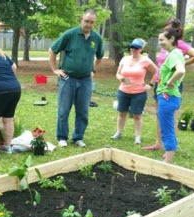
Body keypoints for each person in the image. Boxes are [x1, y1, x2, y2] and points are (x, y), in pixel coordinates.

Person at [143, 19, 194, 151]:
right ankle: (158, 143)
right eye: (164, 29)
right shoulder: (165, 45)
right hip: (160, 83)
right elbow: (161, 66)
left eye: (167, 29)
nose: (164, 31)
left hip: (170, 85)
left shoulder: (179, 44)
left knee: (168, 115)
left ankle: (170, 146)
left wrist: (180, 65)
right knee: (160, 114)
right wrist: (152, 83)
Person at [49, 9, 104, 148]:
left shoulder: (97, 39)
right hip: (68, 78)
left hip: (85, 80)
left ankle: (78, 137)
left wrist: (93, 70)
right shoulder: (70, 35)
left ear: (94, 23)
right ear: (81, 20)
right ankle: (62, 137)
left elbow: (100, 56)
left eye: (92, 22)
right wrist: (55, 69)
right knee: (63, 110)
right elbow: (52, 50)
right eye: (86, 21)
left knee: (83, 111)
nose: (88, 25)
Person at [110, 38, 158, 145]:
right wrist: (121, 78)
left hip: (138, 93)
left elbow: (157, 72)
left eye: (136, 48)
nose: (133, 50)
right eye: (132, 47)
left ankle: (137, 137)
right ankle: (119, 132)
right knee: (122, 113)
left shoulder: (145, 60)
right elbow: (118, 73)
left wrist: (150, 85)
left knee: (137, 115)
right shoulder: (125, 59)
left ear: (141, 49)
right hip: (123, 91)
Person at [156, 28, 186, 163]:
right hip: (171, 97)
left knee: (166, 129)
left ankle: (167, 162)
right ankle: (168, 154)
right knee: (168, 127)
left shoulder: (174, 54)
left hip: (168, 97)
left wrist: (169, 82)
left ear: (172, 39)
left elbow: (181, 71)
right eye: (159, 40)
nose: (160, 43)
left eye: (162, 40)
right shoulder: (177, 53)